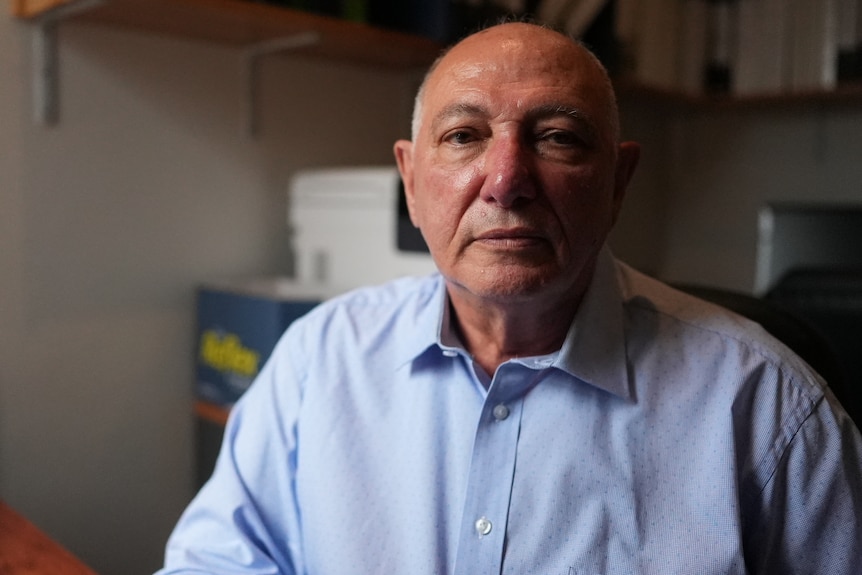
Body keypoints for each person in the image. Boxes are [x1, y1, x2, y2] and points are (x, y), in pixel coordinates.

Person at [156, 22, 862, 574]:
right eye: (464, 136)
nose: (505, 179)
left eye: (556, 137)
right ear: (411, 178)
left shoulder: (771, 413)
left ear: (618, 181)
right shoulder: (319, 359)